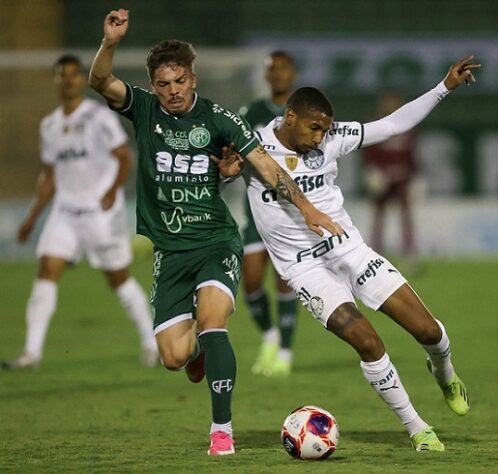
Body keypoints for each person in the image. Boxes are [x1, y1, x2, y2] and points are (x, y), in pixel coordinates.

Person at [88, 9, 340, 456]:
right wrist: (109, 43)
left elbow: (265, 166)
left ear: (193, 78)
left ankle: (221, 432)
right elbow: (100, 82)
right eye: (163, 84)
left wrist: (306, 208)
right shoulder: (143, 110)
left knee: (213, 323)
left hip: (216, 241)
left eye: (179, 81)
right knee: (172, 358)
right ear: (152, 86)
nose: (172, 91)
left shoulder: (220, 119)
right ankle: (199, 357)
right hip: (169, 249)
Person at [214, 56, 478, 451]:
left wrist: (443, 88)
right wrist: (223, 176)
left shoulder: (335, 135)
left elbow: (391, 125)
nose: (321, 137)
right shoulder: (255, 146)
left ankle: (444, 373)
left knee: (429, 332)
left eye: (324, 129)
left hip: (349, 249)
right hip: (304, 270)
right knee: (368, 342)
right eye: (313, 127)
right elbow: (213, 183)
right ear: (289, 118)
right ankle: (418, 428)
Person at [1, 54, 158, 370]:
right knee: (46, 270)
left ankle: (151, 342)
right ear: (56, 81)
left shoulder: (98, 117)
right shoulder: (50, 125)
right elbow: (49, 177)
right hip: (65, 212)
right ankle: (31, 353)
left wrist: (111, 191)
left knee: (118, 279)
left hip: (100, 212)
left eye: (75, 74)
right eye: (63, 74)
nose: (69, 80)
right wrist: (31, 217)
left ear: (81, 79)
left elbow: (124, 157)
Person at [239, 51, 298, 376]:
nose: (278, 74)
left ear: (293, 73)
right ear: (266, 75)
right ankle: (270, 336)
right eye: (273, 69)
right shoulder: (252, 112)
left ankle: (285, 353)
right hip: (257, 212)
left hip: (289, 214)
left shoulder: (300, 113)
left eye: (284, 68)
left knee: (285, 283)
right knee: (249, 283)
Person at [363, 92, 419, 268]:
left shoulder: (408, 126)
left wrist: (416, 177)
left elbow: (412, 154)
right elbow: (368, 151)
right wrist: (371, 170)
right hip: (383, 177)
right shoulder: (376, 125)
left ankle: (409, 253)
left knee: (406, 216)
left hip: (402, 178)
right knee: (379, 216)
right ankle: (376, 253)